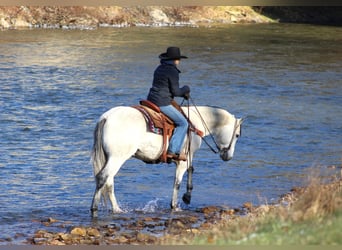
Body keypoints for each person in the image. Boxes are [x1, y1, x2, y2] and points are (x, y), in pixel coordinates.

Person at [147, 47, 190, 161]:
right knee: (183, 123)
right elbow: (176, 92)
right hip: (162, 102)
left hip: (151, 99)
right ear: (176, 60)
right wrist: (185, 89)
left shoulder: (159, 68)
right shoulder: (172, 71)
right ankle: (173, 151)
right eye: (178, 60)